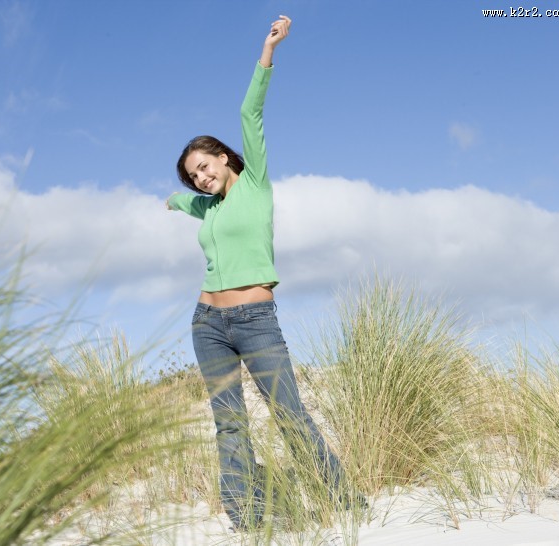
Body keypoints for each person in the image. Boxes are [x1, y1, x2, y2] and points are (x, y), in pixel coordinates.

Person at [166, 15, 358, 530]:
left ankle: (343, 500)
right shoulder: (205, 208)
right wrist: (171, 199)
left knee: (289, 412)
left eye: (205, 167)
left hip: (255, 318)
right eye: (193, 176)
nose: (202, 178)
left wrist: (267, 50)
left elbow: (251, 111)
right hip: (206, 323)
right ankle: (245, 515)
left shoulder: (256, 186)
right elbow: (183, 204)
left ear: (225, 157)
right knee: (229, 424)